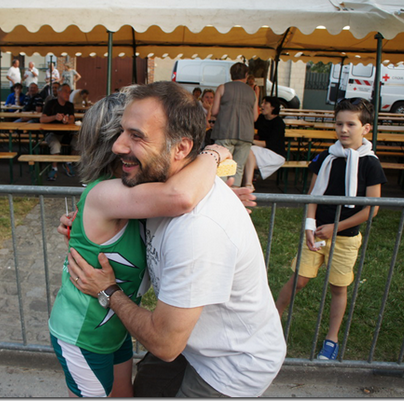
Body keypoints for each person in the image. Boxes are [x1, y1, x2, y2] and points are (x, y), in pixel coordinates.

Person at [65, 82, 285, 397]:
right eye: (122, 132)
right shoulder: (154, 183)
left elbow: (164, 343)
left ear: (180, 149)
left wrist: (108, 291)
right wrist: (87, 229)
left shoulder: (196, 228)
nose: (118, 146)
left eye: (136, 136)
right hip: (191, 340)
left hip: (230, 366)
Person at [49, 91, 232, 397]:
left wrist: (217, 196)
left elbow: (180, 190)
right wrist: (212, 154)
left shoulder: (137, 194)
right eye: (125, 132)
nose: (126, 142)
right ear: (111, 143)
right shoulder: (108, 194)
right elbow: (180, 196)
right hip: (80, 333)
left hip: (115, 325)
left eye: (135, 134)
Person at [275, 97, 386, 360]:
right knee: (299, 279)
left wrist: (336, 228)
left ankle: (331, 339)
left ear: (366, 128)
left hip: (345, 237)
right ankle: (270, 320)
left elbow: (372, 208)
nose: (343, 130)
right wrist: (309, 227)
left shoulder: (371, 163)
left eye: (351, 124)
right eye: (339, 124)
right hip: (317, 233)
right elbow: (312, 195)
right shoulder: (326, 157)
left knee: (338, 287)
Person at [211, 62, 260, 187]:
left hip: (225, 131)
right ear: (246, 75)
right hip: (245, 133)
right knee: (238, 167)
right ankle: (235, 195)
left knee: (223, 166)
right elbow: (255, 117)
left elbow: (214, 111)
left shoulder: (222, 88)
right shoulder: (252, 92)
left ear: (231, 74)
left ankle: (221, 194)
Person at [243, 96, 286, 191]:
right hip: (261, 151)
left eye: (265, 103)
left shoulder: (279, 123)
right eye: (262, 103)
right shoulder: (262, 118)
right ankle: (248, 182)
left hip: (274, 154)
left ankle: (248, 183)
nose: (262, 106)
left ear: (273, 107)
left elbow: (269, 143)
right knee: (245, 155)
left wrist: (250, 140)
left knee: (247, 151)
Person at [40, 83, 76, 181]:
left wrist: (67, 120)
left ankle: (68, 162)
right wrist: (55, 117)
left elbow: (72, 119)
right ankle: (54, 168)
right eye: (65, 91)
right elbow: (42, 119)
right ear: (59, 92)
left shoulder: (70, 105)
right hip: (51, 133)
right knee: (56, 145)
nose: (68, 94)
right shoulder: (51, 103)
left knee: (79, 143)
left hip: (66, 134)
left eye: (69, 92)